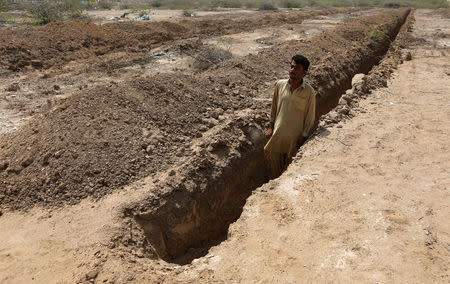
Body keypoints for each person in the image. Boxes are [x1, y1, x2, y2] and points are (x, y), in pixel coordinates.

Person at [264, 54, 316, 178]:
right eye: (291, 67)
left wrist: (303, 136)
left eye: (297, 68)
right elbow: (274, 107)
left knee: (288, 173)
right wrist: (271, 126)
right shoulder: (280, 85)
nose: (292, 70)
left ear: (305, 73)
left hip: (294, 139)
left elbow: (310, 117)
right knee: (275, 172)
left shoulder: (309, 92)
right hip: (278, 136)